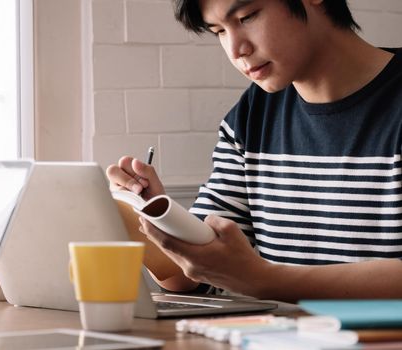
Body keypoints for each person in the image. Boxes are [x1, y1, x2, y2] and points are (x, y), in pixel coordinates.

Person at [106, 0, 402, 302]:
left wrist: (265, 281)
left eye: (247, 17)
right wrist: (152, 215)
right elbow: (192, 275)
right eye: (220, 31)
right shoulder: (251, 117)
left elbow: (254, 280)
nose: (236, 50)